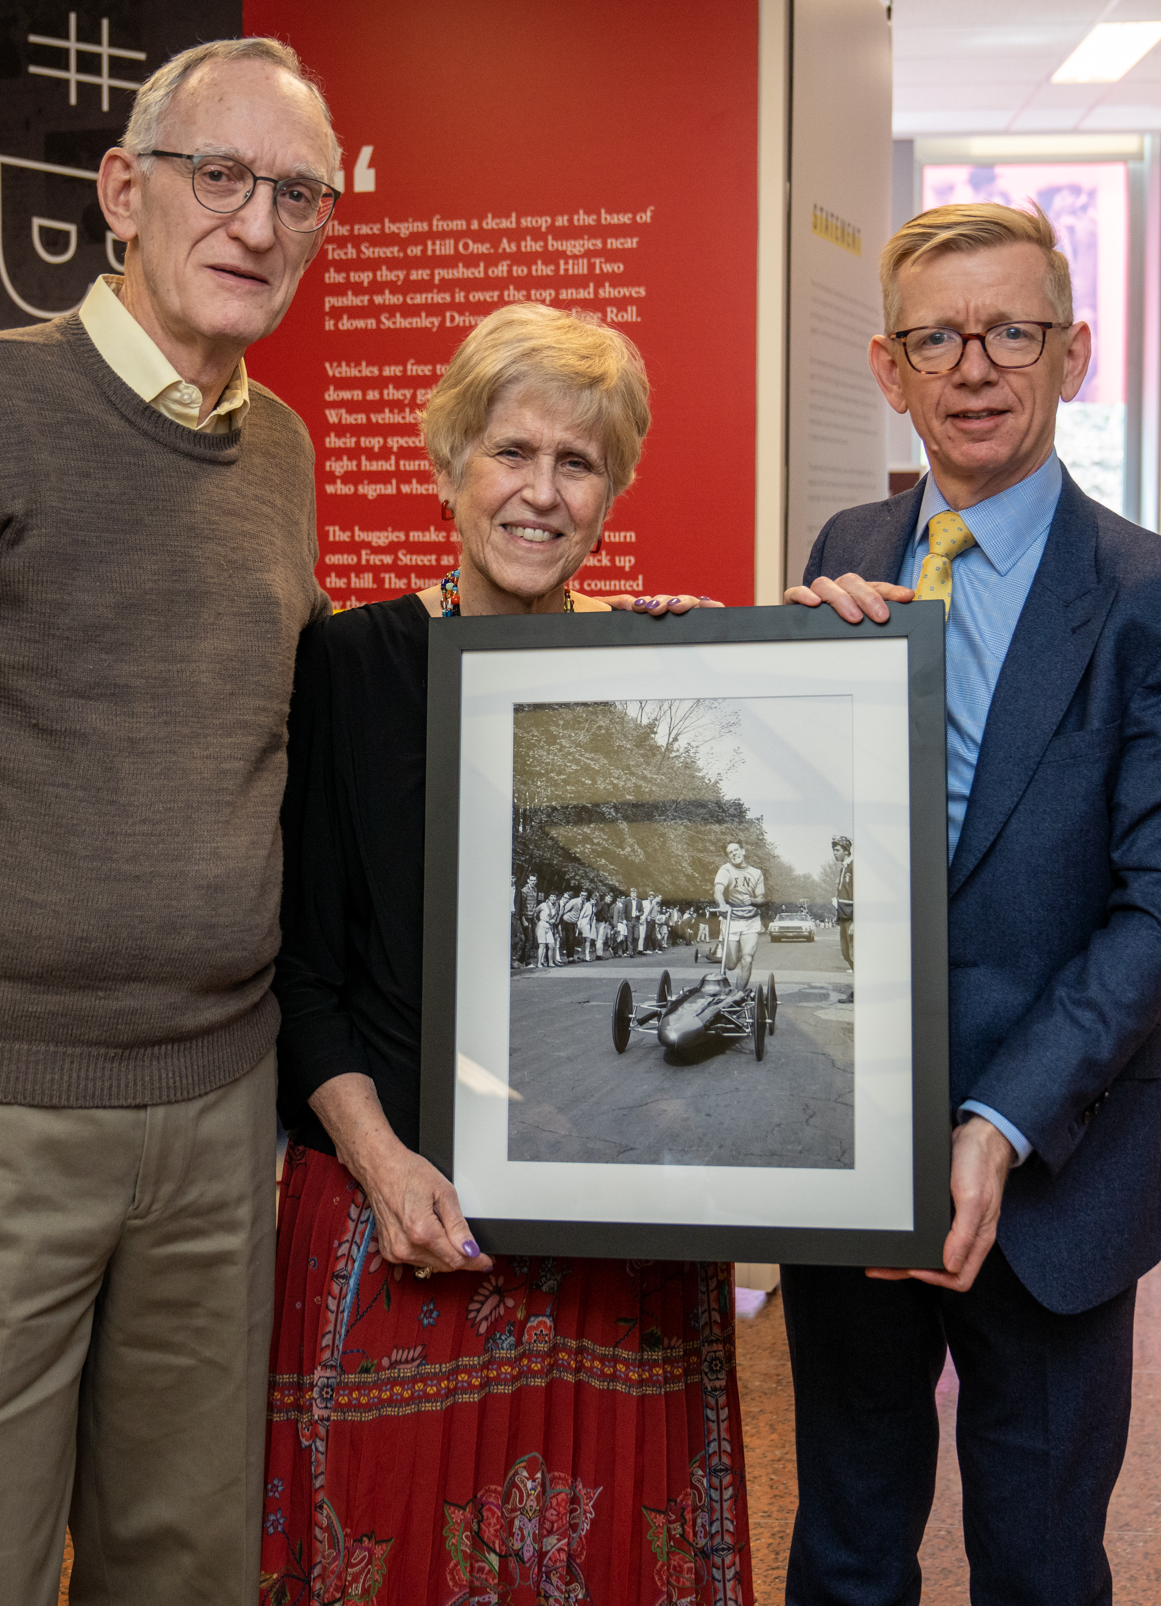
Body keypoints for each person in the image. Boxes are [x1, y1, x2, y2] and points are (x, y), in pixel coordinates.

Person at [0, 36, 345, 1606]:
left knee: (187, 1568)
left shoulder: (279, 453)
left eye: (298, 193)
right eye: (216, 175)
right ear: (122, 193)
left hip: (219, 1114)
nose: (255, 221)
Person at [783, 202, 1161, 1604]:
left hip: (1056, 1162)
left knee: (1042, 1558)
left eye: (1013, 331)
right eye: (940, 336)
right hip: (848, 1158)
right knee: (849, 1544)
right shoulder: (849, 544)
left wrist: (996, 1124)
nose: (976, 365)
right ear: (890, 366)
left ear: (1074, 353)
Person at [265, 302, 748, 1605]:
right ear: (447, 466)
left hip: (614, 1247)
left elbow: (694, 990)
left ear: (612, 490)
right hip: (394, 1216)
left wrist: (835, 647)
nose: (540, 493)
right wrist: (384, 1166)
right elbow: (303, 979)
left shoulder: (660, 686)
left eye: (577, 462)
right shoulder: (348, 668)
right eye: (510, 451)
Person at [711, 840, 767, 992]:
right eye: (730, 852)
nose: (734, 853)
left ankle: (737, 996)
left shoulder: (756, 873)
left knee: (747, 960)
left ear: (743, 851)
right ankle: (733, 948)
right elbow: (718, 890)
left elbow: (761, 899)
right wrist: (722, 905)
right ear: (728, 857)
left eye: (736, 850)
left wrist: (752, 900)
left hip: (751, 921)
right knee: (730, 965)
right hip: (731, 920)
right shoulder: (725, 870)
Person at [822, 834, 856, 973]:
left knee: (854, 954)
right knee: (846, 953)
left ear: (846, 851)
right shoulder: (844, 868)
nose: (834, 854)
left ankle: (859, 991)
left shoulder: (854, 867)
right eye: (834, 851)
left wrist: (855, 921)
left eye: (837, 850)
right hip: (843, 916)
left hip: (851, 917)